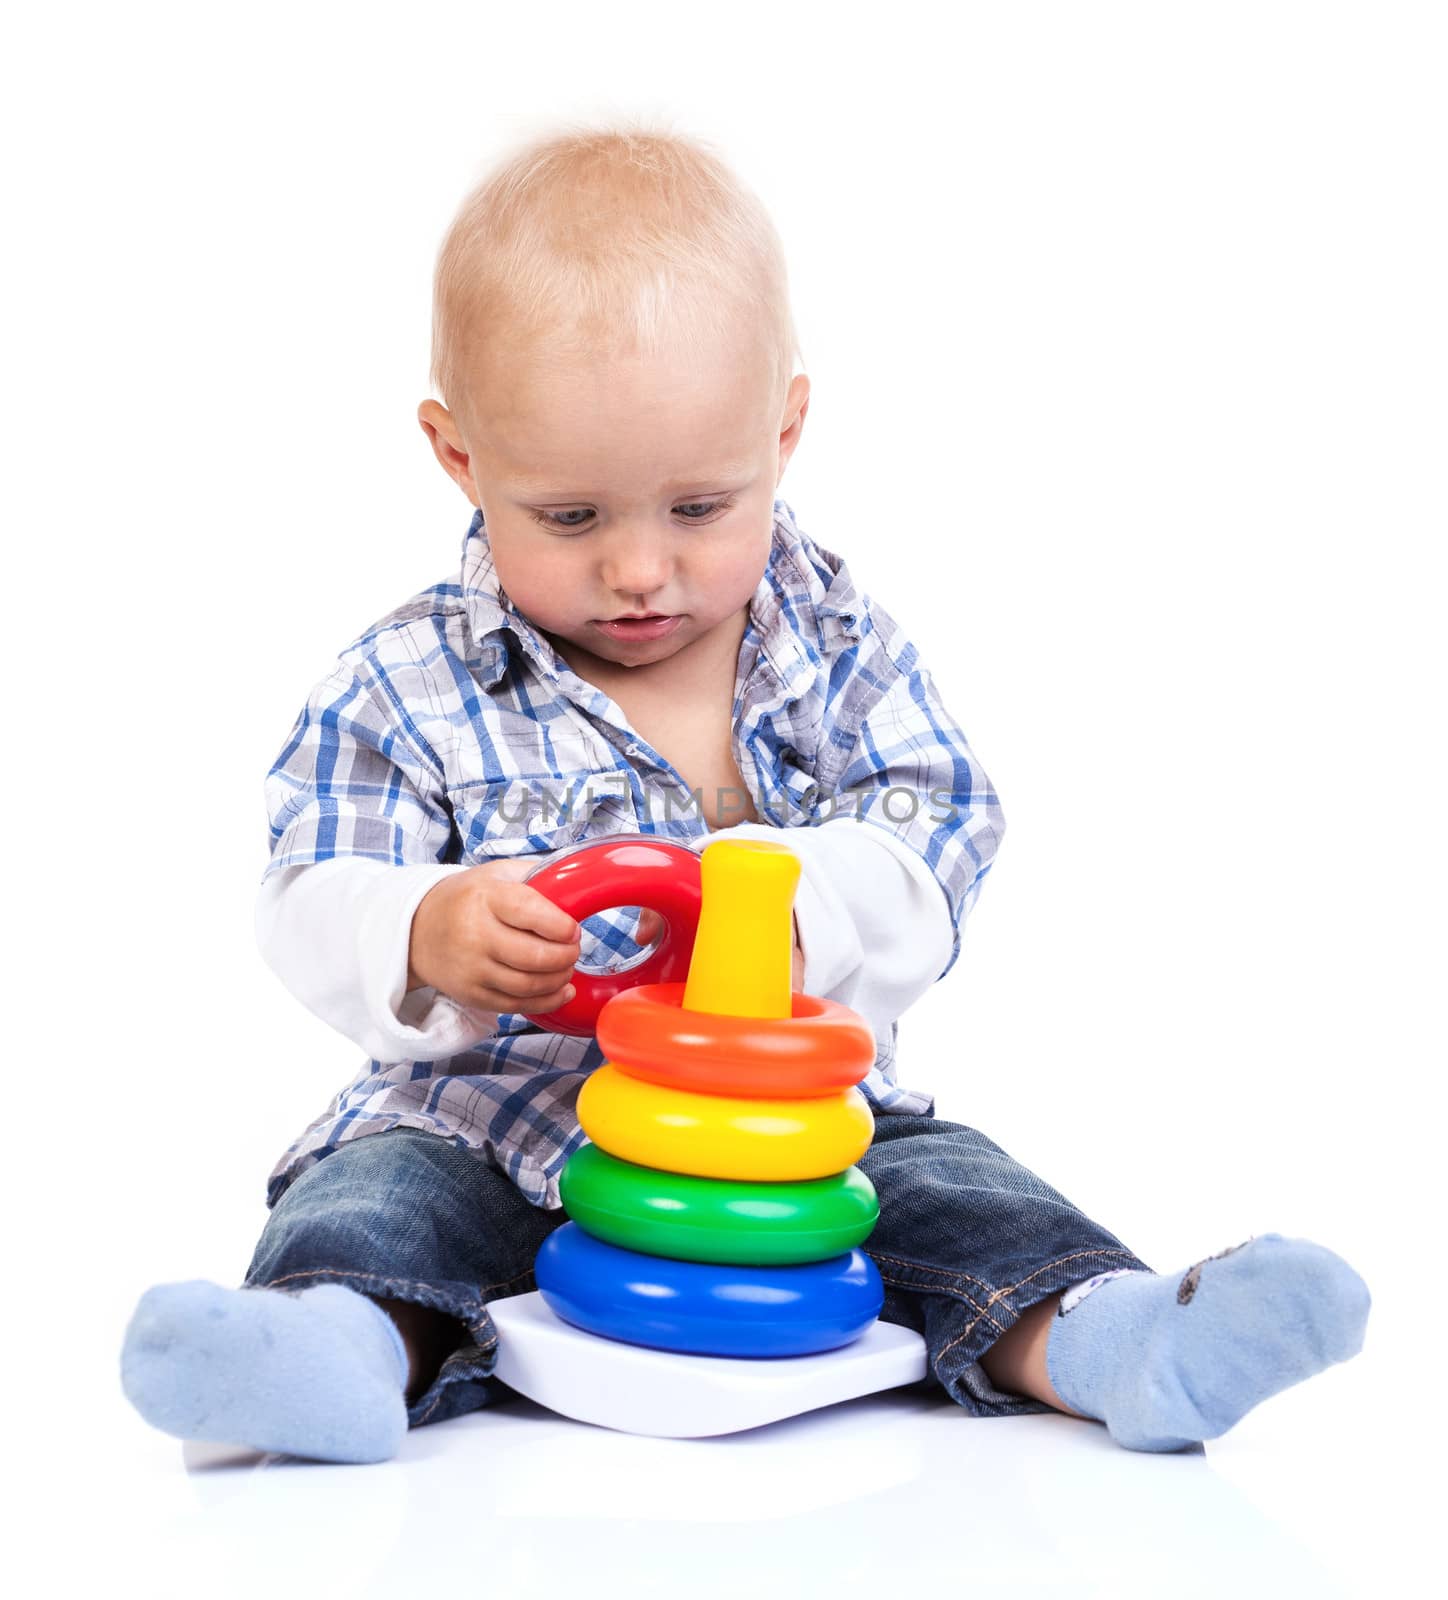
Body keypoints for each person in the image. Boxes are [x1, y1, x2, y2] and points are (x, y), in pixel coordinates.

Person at [120, 121, 1370, 1464]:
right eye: (573, 517)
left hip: (787, 1144)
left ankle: (1121, 1338)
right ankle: (326, 1351)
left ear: (786, 431)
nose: (641, 570)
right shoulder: (404, 680)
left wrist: (810, 910)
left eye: (701, 507)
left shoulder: (834, 647)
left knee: (953, 1192)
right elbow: (310, 886)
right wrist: (422, 928)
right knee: (370, 1204)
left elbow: (939, 821)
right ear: (460, 458)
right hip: (483, 1125)